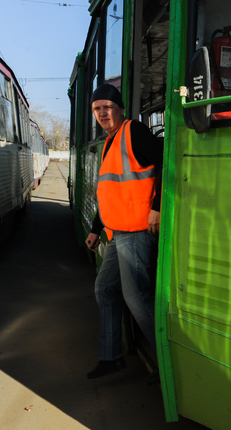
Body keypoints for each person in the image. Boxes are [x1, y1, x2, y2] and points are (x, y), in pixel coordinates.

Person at [85, 83, 163, 380]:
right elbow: (109, 194)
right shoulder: (111, 141)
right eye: (97, 109)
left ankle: (168, 365)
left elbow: (164, 161)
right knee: (104, 289)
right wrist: (95, 229)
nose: (102, 113)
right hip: (118, 232)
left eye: (107, 107)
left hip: (137, 230)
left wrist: (157, 206)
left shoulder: (134, 131)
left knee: (138, 300)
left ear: (119, 109)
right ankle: (111, 357)